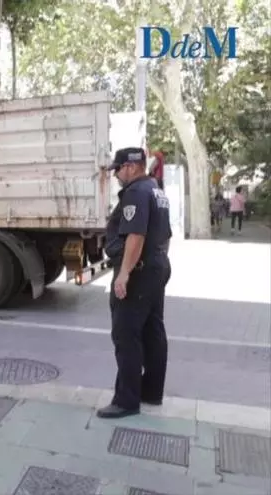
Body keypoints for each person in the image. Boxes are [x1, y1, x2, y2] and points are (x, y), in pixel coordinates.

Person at [97, 148, 173, 419]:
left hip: (139, 272)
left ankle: (126, 401)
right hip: (156, 266)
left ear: (131, 167)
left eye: (118, 169)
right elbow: (165, 235)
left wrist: (124, 273)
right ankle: (151, 391)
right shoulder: (156, 190)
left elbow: (136, 235)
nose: (116, 174)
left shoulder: (136, 193)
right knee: (153, 330)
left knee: (126, 334)